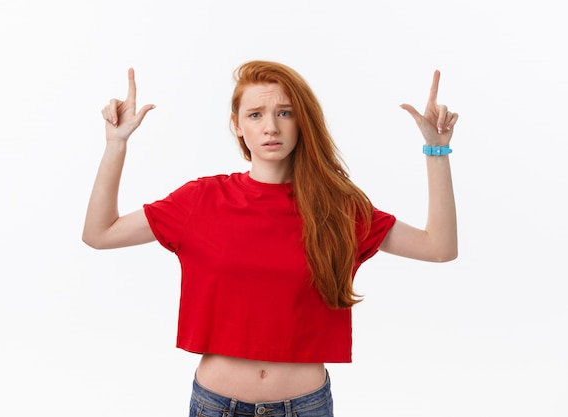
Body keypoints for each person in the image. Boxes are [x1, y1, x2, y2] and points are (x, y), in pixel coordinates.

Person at [82, 60, 458, 417]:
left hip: (304, 406)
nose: (271, 127)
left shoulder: (338, 209)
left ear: (302, 121)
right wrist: (116, 143)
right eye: (256, 114)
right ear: (238, 125)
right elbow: (100, 233)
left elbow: (438, 248)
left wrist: (436, 150)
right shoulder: (201, 200)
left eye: (285, 112)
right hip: (217, 405)